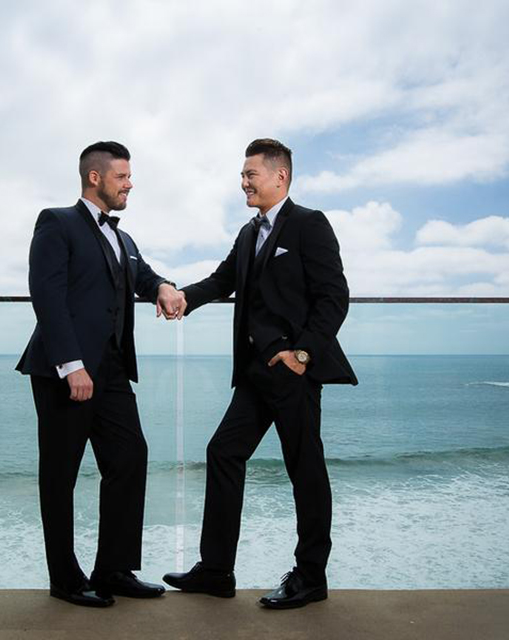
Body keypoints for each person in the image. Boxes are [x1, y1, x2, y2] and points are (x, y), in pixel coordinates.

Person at [162, 138, 357, 609]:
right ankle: (216, 570)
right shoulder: (250, 233)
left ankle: (311, 577)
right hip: (253, 374)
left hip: (292, 373)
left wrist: (303, 355)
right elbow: (223, 279)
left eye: (251, 175)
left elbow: (335, 296)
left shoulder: (310, 224)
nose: (243, 183)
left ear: (280, 176)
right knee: (223, 452)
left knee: (304, 471)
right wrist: (181, 297)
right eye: (242, 176)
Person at [15, 141, 182, 607]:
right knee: (60, 475)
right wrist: (72, 365)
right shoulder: (57, 222)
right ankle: (65, 579)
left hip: (111, 372)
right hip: (64, 372)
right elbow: (46, 295)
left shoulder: (123, 239)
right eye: (122, 177)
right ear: (95, 178)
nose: (130, 184)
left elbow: (141, 276)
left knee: (130, 458)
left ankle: (112, 569)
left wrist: (164, 287)